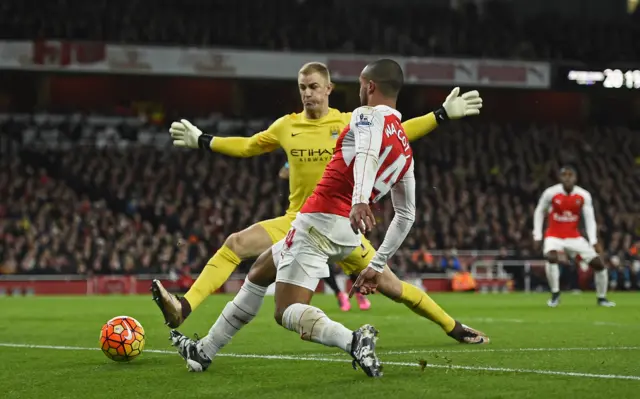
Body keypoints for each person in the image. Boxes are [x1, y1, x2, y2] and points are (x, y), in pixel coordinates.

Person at [168, 59, 488, 376]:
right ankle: (202, 349)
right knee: (258, 268)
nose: (308, 94)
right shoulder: (290, 126)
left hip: (318, 221)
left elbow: (378, 143)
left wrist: (439, 116)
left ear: (330, 89)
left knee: (287, 310)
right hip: (333, 226)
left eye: (314, 87)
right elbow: (249, 146)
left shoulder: (355, 119)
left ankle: (354, 340)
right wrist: (204, 140)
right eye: (302, 88)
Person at [279, 161, 371, 311]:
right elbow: (282, 173)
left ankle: (359, 293)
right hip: (311, 216)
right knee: (323, 261)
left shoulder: (332, 158)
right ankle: (339, 294)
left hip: (333, 211)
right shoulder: (303, 159)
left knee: (348, 257)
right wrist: (293, 166)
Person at [533, 166, 616, 307]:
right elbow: (539, 211)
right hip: (554, 235)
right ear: (560, 178)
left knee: (599, 264)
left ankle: (602, 298)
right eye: (564, 175)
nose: (567, 178)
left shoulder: (583, 195)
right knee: (551, 257)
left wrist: (593, 240)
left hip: (573, 236)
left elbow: (590, 219)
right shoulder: (551, 193)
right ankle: (555, 295)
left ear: (575, 178)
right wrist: (537, 235)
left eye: (570, 175)